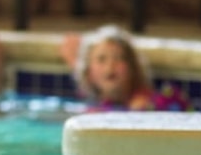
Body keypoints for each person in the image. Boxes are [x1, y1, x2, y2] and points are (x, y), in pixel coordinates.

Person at [59, 24, 190, 112]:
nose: (110, 65)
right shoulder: (96, 107)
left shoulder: (155, 100)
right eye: (101, 59)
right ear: (89, 74)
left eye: (118, 58)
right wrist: (74, 62)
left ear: (132, 68)